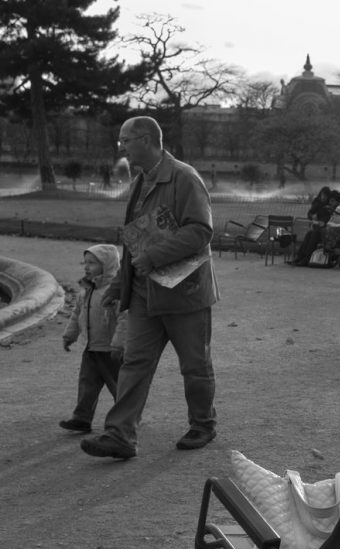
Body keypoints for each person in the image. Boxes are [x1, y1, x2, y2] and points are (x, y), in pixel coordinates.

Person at [80, 115, 219, 460]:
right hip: (145, 293)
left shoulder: (184, 177)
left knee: (195, 365)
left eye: (125, 140)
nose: (122, 147)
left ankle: (203, 424)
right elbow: (135, 240)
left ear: (144, 139)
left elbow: (201, 231)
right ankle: (120, 436)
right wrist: (117, 287)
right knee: (134, 363)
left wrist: (155, 256)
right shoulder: (141, 180)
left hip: (184, 293)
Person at [59, 244, 125, 434]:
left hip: (111, 350)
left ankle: (125, 417)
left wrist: (119, 344)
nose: (87, 267)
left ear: (108, 265)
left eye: (92, 263)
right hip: (90, 348)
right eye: (85, 263)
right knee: (87, 385)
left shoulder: (114, 292)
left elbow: (125, 319)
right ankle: (81, 418)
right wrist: (69, 335)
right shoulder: (86, 289)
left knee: (119, 387)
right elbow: (76, 314)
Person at [295, 188, 340, 266]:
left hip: (332, 235)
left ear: (337, 202)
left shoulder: (339, 211)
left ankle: (307, 258)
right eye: (330, 200)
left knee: (315, 233)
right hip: (327, 233)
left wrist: (323, 224)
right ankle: (300, 257)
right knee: (309, 233)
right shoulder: (330, 209)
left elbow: (335, 224)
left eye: (332, 201)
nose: (330, 203)